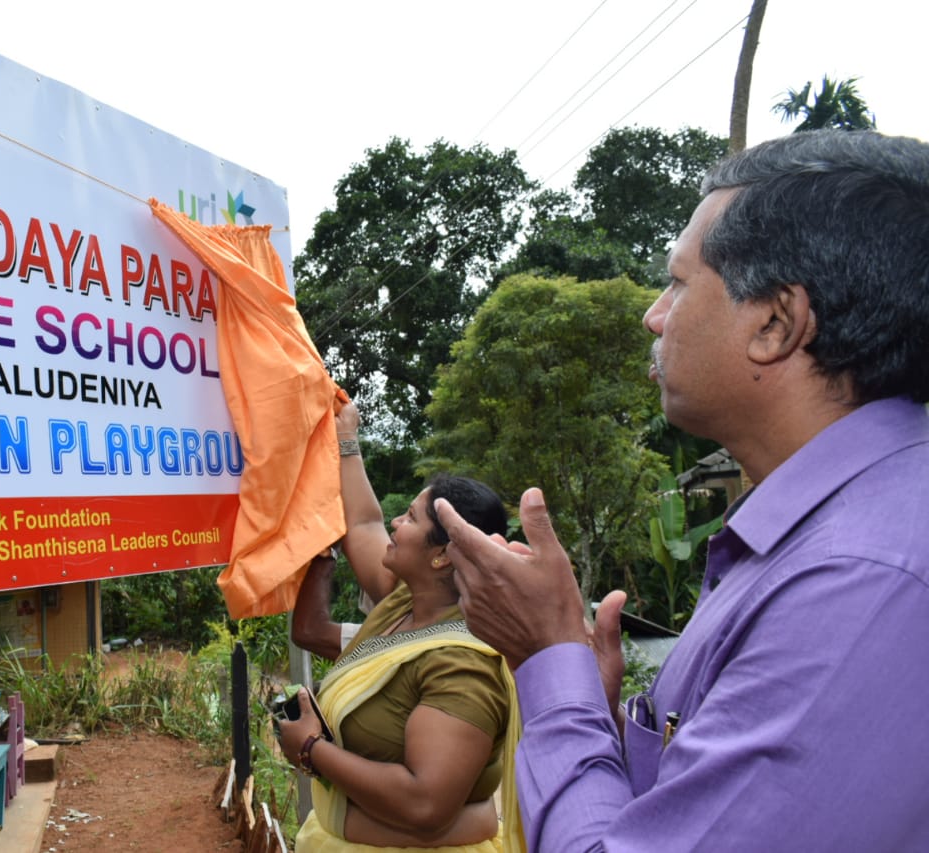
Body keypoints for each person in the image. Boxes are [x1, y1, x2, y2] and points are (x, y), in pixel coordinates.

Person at [434, 129, 929, 851]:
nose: (654, 315)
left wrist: (549, 659)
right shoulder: (820, 536)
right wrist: (602, 721)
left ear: (775, 322)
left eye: (677, 282)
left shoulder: (862, 581)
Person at [277, 402, 525, 852]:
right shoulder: (405, 603)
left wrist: (312, 749)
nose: (395, 521)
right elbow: (364, 521)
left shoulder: (463, 664)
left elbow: (425, 804)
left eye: (410, 517)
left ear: (442, 555)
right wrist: (346, 437)